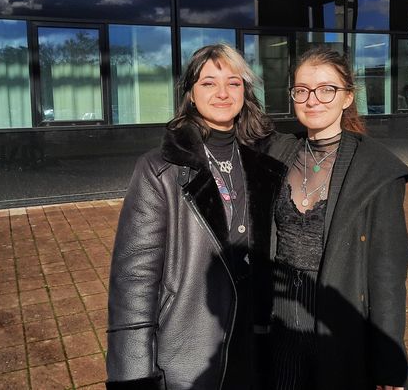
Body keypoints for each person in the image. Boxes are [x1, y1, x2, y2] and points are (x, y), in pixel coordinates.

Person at [106, 44, 288, 390]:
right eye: (208, 83)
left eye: (233, 83)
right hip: (189, 351)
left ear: (245, 93)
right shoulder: (160, 170)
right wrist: (133, 377)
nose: (222, 93)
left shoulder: (263, 164)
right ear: (190, 94)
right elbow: (134, 279)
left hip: (254, 348)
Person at [264, 46, 408, 389]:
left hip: (338, 322)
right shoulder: (278, 152)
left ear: (347, 97)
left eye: (327, 89)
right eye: (302, 90)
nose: (312, 99)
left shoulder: (376, 169)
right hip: (280, 322)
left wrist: (389, 361)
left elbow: (387, 274)